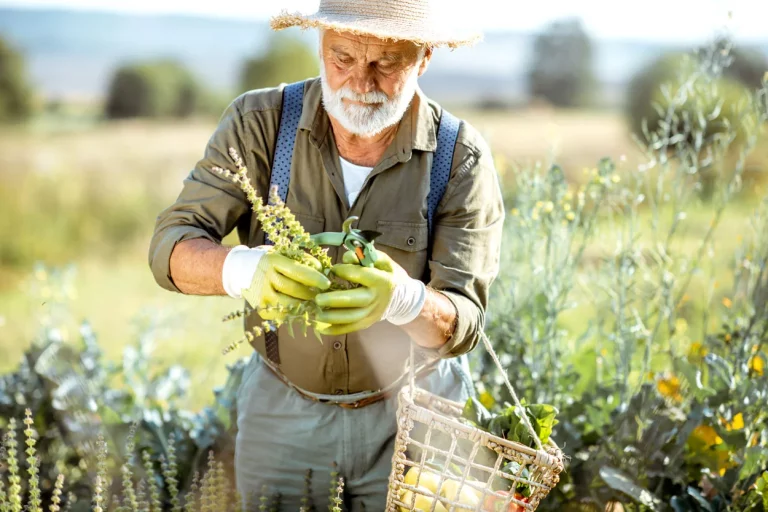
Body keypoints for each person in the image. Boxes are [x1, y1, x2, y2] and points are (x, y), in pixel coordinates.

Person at [148, 0, 505, 509]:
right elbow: (171, 245)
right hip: (283, 411)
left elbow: (464, 321)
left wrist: (402, 301)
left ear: (423, 57)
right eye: (342, 58)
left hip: (415, 414)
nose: (361, 82)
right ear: (319, 44)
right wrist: (244, 269)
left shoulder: (460, 156)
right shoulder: (260, 124)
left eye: (386, 63)